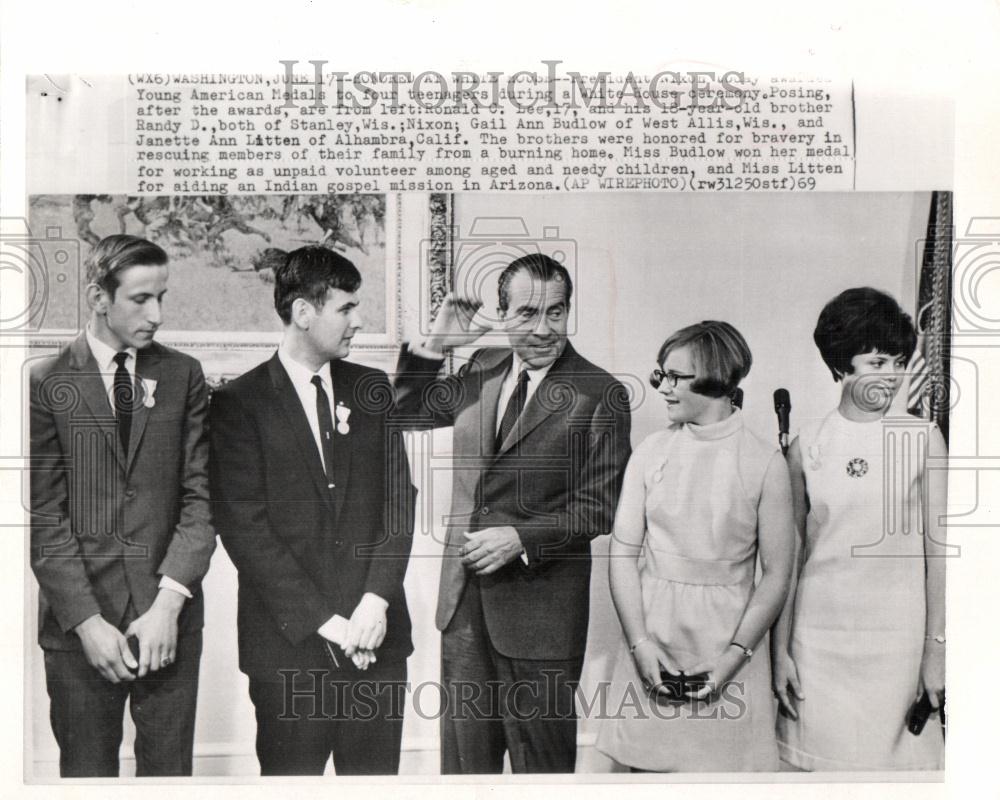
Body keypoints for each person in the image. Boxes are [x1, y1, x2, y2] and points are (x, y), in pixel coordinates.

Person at [393, 254, 631, 774]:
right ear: (502, 314)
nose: (544, 329)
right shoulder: (482, 365)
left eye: (556, 312)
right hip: (464, 608)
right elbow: (406, 412)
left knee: (540, 772)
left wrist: (520, 538)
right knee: (463, 772)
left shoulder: (600, 394)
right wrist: (435, 348)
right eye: (527, 313)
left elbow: (602, 506)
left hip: (542, 618)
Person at [209, 246, 415, 776]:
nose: (359, 321)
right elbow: (246, 532)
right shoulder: (238, 402)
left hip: (376, 644)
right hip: (290, 654)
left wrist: (375, 601)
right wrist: (331, 625)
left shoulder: (371, 389)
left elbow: (399, 502)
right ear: (304, 313)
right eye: (346, 308)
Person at [30, 234, 215, 777]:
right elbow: (44, 519)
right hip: (80, 629)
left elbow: (200, 501)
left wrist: (168, 605)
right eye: (140, 299)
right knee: (86, 776)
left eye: (162, 297)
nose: (156, 314)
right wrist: (88, 623)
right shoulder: (46, 381)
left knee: (168, 778)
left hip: (168, 625)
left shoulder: (183, 375)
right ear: (98, 296)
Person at [596, 321, 794, 772]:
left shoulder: (765, 463)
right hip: (652, 639)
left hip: (731, 644)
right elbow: (622, 555)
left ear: (718, 377)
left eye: (676, 377)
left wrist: (733, 658)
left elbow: (778, 573)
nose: (663, 388)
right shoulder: (650, 451)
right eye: (660, 375)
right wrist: (639, 645)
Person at [772, 287, 946, 770]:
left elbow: (941, 556)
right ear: (841, 366)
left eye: (897, 361)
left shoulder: (922, 440)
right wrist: (779, 652)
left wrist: (937, 652)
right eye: (875, 362)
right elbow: (788, 561)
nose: (890, 376)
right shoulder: (807, 448)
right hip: (818, 646)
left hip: (899, 647)